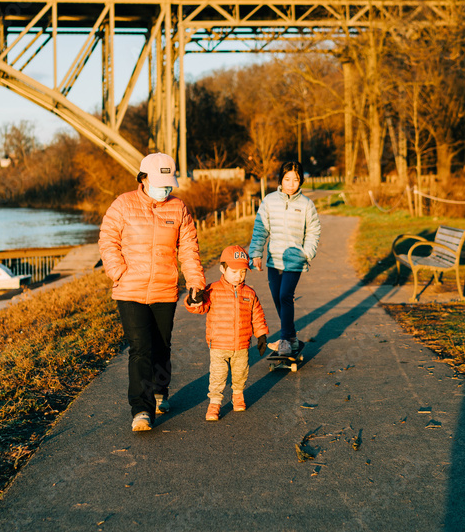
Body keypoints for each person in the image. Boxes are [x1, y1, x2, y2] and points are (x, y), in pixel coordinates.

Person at [99, 152, 206, 432]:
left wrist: (196, 284)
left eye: (168, 182)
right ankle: (141, 410)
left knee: (161, 345)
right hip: (129, 290)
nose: (165, 188)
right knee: (140, 348)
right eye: (159, 181)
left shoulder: (178, 208)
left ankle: (160, 390)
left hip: (164, 289)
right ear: (143, 178)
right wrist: (119, 272)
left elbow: (189, 250)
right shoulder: (123, 204)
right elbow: (107, 239)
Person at [185, 245, 268, 421]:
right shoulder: (212, 290)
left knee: (241, 373)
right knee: (218, 375)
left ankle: (238, 395)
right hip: (219, 345)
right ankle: (214, 403)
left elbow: (257, 316)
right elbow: (199, 308)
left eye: (243, 272)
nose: (239, 276)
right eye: (234, 271)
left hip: (242, 344)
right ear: (222, 268)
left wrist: (261, 335)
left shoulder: (249, 293)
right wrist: (193, 301)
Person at [249, 160, 321, 356]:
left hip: (295, 261)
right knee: (277, 299)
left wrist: (307, 253)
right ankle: (291, 338)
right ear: (281, 179)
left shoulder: (306, 204)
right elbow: (260, 229)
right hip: (275, 259)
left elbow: (314, 230)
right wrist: (256, 253)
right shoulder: (269, 201)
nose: (291, 184)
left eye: (295, 180)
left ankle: (285, 341)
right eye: (287, 179)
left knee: (285, 296)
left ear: (301, 182)